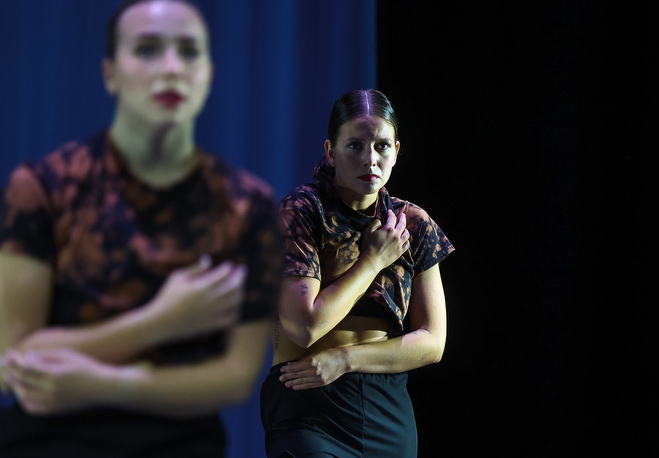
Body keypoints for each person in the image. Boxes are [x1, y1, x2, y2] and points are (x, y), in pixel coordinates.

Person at [0, 0, 281, 456]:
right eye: (147, 49)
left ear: (208, 74)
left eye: (189, 52)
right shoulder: (41, 187)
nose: (170, 68)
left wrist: (102, 384)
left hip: (181, 446)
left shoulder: (249, 207)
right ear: (110, 73)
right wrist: (159, 322)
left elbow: (235, 378)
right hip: (45, 441)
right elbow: (13, 361)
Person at [260, 89, 454, 457]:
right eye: (355, 146)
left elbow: (433, 342)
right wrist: (372, 261)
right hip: (309, 402)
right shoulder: (300, 211)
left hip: (386, 406)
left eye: (381, 146)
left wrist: (345, 359)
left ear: (396, 152)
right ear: (331, 151)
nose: (370, 159)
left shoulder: (412, 222)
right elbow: (305, 327)